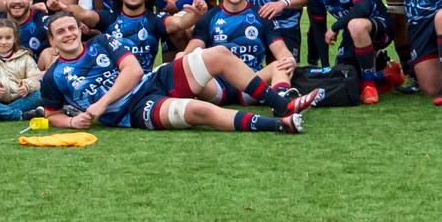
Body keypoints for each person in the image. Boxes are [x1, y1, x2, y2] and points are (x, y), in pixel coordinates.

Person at [40, 13, 307, 133]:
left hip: (151, 79)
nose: (68, 34)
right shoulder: (53, 77)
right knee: (198, 112)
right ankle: (280, 125)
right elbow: (53, 116)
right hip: (132, 111)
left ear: (80, 30)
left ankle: (283, 105)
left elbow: (132, 71)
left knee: (218, 54)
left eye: (71, 28)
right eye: (60, 32)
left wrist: (100, 103)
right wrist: (73, 123)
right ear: (52, 42)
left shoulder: (102, 42)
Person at [59, 0, 209, 69]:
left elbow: (181, 22)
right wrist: (64, 7)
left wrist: (197, 14)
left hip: (143, 81)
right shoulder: (109, 17)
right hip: (111, 78)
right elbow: (84, 14)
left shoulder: (155, 19)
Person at [303, 0, 393, 100]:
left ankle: (369, 86)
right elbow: (318, 29)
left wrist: (335, 27)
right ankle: (386, 75)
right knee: (344, 76)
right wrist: (326, 69)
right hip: (352, 35)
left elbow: (362, 9)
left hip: (380, 26)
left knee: (356, 24)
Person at [186, 0, 297, 91]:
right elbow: (190, 53)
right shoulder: (209, 18)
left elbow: (280, 50)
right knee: (186, 67)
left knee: (281, 65)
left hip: (251, 82)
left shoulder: (262, 15)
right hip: (217, 87)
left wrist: (289, 59)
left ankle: (282, 101)